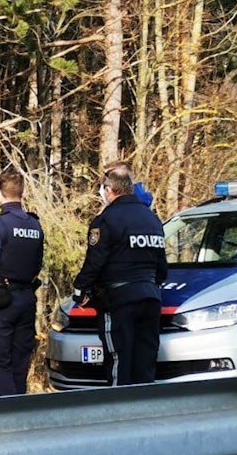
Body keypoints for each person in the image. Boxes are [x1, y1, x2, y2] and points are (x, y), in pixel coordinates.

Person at [72, 161, 168, 386]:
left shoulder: (107, 219)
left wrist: (80, 291)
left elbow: (94, 262)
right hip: (151, 298)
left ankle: (118, 414)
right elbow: (162, 267)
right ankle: (142, 416)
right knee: (145, 364)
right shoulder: (152, 219)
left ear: (109, 191)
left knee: (118, 362)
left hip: (119, 301)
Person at [0, 166, 44, 397]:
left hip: (2, 298)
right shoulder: (34, 224)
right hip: (27, 298)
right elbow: (37, 264)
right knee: (19, 359)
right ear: (22, 193)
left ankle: (4, 412)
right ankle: (18, 408)